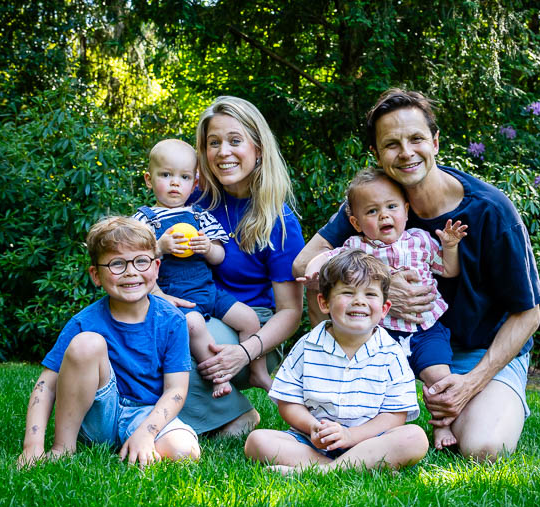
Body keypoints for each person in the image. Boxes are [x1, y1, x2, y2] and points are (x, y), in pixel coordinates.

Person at [294, 88, 540, 462]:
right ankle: (335, 391)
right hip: (383, 347)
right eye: (391, 144)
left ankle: (454, 405)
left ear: (436, 142)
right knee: (321, 282)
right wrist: (381, 276)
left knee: (485, 449)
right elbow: (304, 266)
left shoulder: (492, 210)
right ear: (377, 155)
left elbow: (529, 313)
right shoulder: (374, 201)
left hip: (476, 353)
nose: (406, 152)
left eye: (416, 139)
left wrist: (473, 381)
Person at [156, 96, 304, 437]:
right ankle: (209, 413)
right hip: (195, 310)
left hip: (252, 329)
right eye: (213, 143)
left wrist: (245, 351)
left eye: (235, 141)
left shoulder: (279, 221)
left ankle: (235, 417)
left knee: (171, 347)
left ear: (258, 149)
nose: (223, 152)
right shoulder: (191, 203)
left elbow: (291, 312)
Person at [302, 167, 467, 450]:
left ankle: (442, 426)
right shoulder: (356, 247)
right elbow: (327, 256)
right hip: (381, 333)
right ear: (355, 222)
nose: (384, 216)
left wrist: (449, 247)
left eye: (391, 207)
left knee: (439, 377)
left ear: (405, 210)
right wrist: (313, 268)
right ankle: (373, 431)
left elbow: (449, 271)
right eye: (372, 211)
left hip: (426, 329)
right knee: (375, 383)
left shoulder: (420, 240)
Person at [17, 216, 200, 468]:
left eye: (141, 261)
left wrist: (146, 432)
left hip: (145, 414)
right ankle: (64, 448)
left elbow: (176, 390)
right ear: (96, 275)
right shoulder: (84, 323)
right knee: (87, 344)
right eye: (117, 264)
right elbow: (46, 386)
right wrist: (32, 447)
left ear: (156, 267)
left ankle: (138, 443)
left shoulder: (173, 321)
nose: (131, 271)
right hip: (98, 415)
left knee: (184, 452)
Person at [245, 250, 428, 473]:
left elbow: (395, 415)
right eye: (348, 293)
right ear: (324, 303)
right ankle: (348, 467)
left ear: (384, 308)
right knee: (257, 442)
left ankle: (323, 471)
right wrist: (313, 427)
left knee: (414, 437)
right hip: (314, 441)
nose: (359, 301)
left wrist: (351, 435)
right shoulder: (308, 346)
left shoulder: (391, 353)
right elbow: (288, 401)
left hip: (370, 441)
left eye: (370, 294)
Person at [133, 139, 264, 398]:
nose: (174, 183)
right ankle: (218, 377)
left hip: (208, 291)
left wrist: (207, 247)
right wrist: (160, 246)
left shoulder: (199, 216)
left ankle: (258, 370)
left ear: (194, 184)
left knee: (249, 318)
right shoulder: (143, 220)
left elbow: (219, 256)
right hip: (176, 298)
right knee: (193, 325)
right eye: (166, 175)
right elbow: (136, 260)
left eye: (183, 177)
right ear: (149, 180)